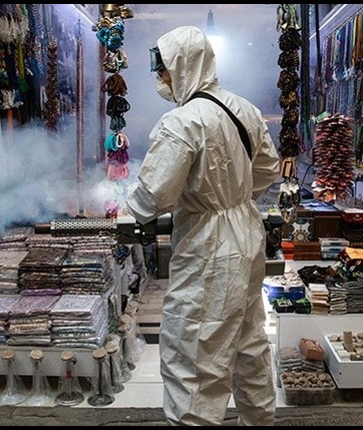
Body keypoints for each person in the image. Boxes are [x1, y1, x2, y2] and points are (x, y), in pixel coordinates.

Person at [125, 26, 279, 426]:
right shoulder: (244, 109)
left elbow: (152, 197)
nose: (161, 79)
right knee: (250, 344)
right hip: (246, 231)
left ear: (182, 66)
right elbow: (267, 169)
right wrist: (234, 198)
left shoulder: (181, 122)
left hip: (208, 244)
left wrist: (133, 206)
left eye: (164, 71)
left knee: (195, 354)